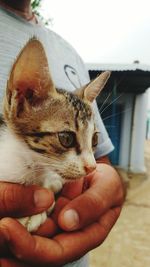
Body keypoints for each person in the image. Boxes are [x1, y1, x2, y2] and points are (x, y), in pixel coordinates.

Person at [0, 0, 125, 266]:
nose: (90, 164)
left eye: (90, 141)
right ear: (22, 100)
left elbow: (100, 161)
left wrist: (108, 186)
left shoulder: (70, 53)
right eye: (67, 139)